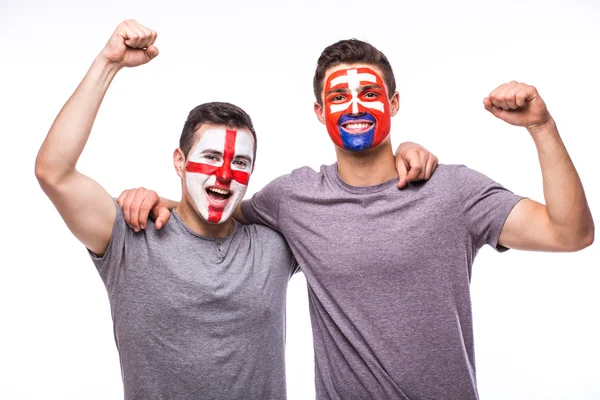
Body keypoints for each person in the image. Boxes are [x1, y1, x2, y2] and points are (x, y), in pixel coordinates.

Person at [130, 38, 594, 399]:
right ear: (319, 112)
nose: (354, 108)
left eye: (369, 93)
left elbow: (570, 233)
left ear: (393, 103)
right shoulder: (293, 198)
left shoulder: (453, 190)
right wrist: (155, 199)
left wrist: (542, 127)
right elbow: (220, 220)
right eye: (339, 97)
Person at [35, 21, 438, 399]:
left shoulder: (275, 244)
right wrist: (108, 63)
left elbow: (353, 213)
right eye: (211, 157)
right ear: (179, 160)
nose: (225, 175)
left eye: (240, 163)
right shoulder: (129, 236)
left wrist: (401, 153)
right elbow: (54, 172)